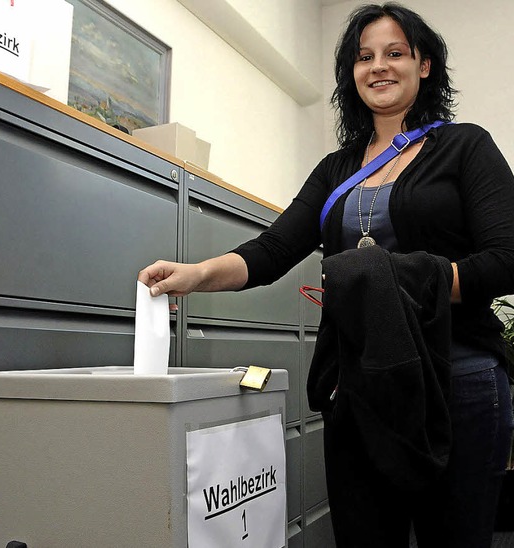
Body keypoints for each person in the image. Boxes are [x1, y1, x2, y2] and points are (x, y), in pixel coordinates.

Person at [138, 3, 514, 547]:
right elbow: (272, 251)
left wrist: (400, 284)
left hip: (461, 384)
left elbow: (505, 258)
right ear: (351, 72)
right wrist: (194, 273)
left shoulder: (465, 147)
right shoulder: (337, 169)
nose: (378, 67)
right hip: (362, 389)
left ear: (424, 65)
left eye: (395, 53)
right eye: (364, 57)